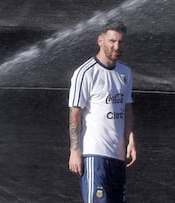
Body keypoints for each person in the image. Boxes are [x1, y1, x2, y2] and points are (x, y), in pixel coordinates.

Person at [68, 21, 136, 203]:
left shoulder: (125, 72)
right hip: (95, 154)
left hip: (118, 156)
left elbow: (127, 107)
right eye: (112, 41)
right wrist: (75, 151)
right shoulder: (86, 73)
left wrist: (130, 139)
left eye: (120, 42)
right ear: (100, 40)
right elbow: (75, 113)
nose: (116, 46)